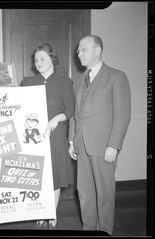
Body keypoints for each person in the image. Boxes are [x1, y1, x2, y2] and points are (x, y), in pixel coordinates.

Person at [68, 35, 131, 235]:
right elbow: (74, 114)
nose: (79, 54)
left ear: (97, 50)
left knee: (104, 193)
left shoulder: (116, 76)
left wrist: (114, 145)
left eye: (83, 49)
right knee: (84, 192)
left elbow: (122, 115)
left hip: (104, 147)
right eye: (78, 50)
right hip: (81, 145)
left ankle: (104, 231)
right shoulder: (78, 80)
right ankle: (88, 228)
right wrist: (71, 140)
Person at [21, 43, 75, 230]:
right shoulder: (27, 81)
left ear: (52, 59)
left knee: (54, 174)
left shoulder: (65, 81)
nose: (39, 62)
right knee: (37, 174)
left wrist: (55, 120)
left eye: (42, 58)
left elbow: (70, 110)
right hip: (33, 134)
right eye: (36, 60)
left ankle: (51, 211)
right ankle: (40, 211)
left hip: (55, 134)